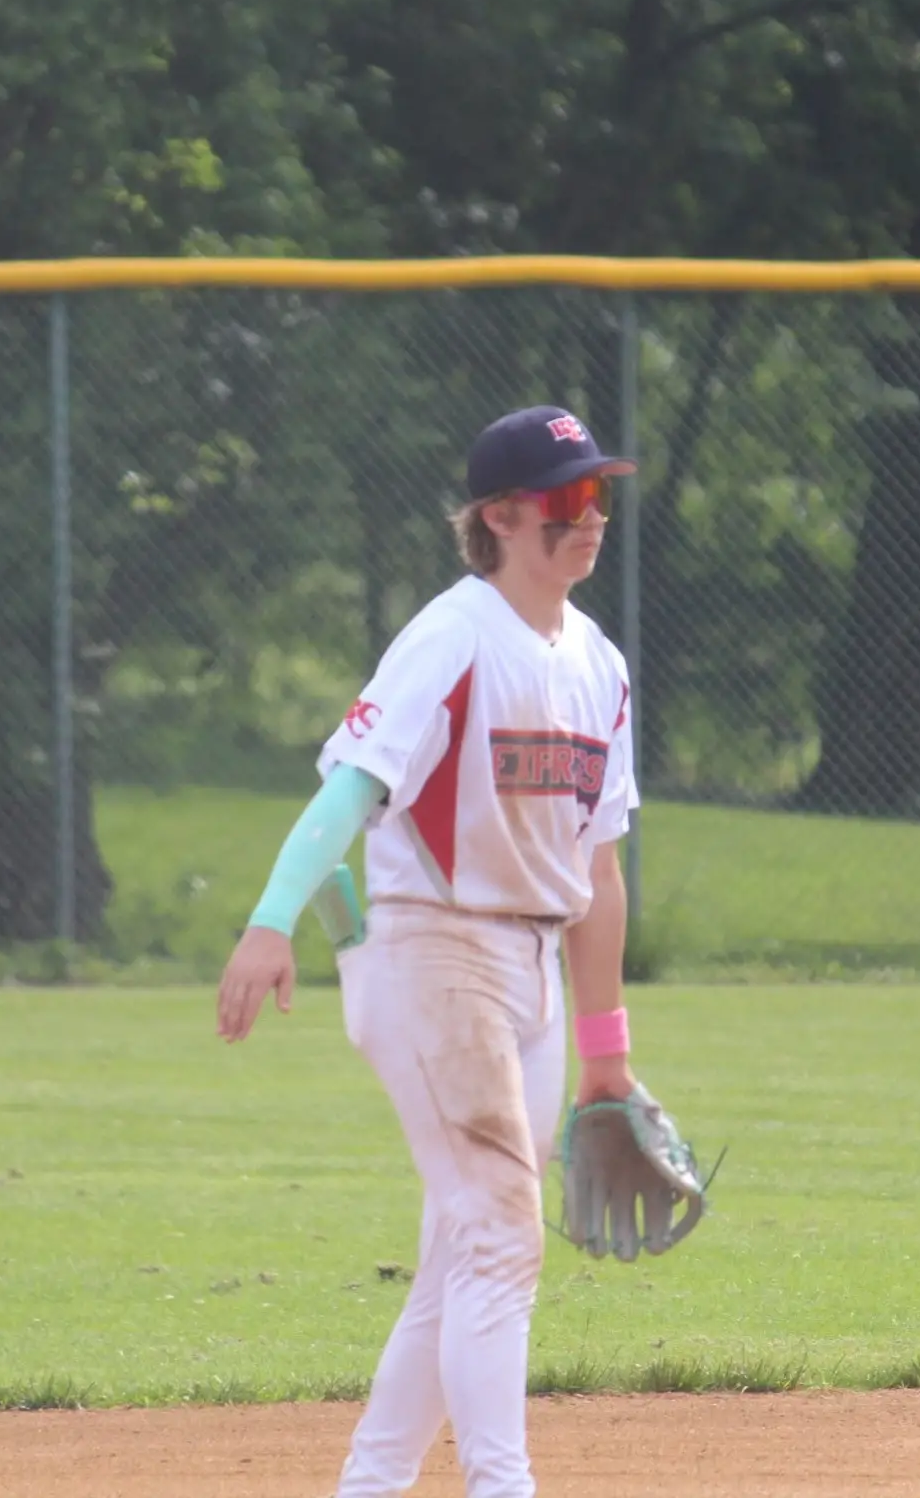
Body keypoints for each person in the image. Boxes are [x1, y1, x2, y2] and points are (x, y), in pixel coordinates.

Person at [214, 403, 644, 1498]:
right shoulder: (452, 637)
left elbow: (597, 875)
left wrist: (607, 1054)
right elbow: (350, 791)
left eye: (598, 494)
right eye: (566, 498)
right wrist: (272, 920)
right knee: (502, 1238)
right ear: (500, 516)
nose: (591, 516)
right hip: (434, 956)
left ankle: (370, 1486)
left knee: (464, 1252)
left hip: (531, 977)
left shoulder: (598, 664)